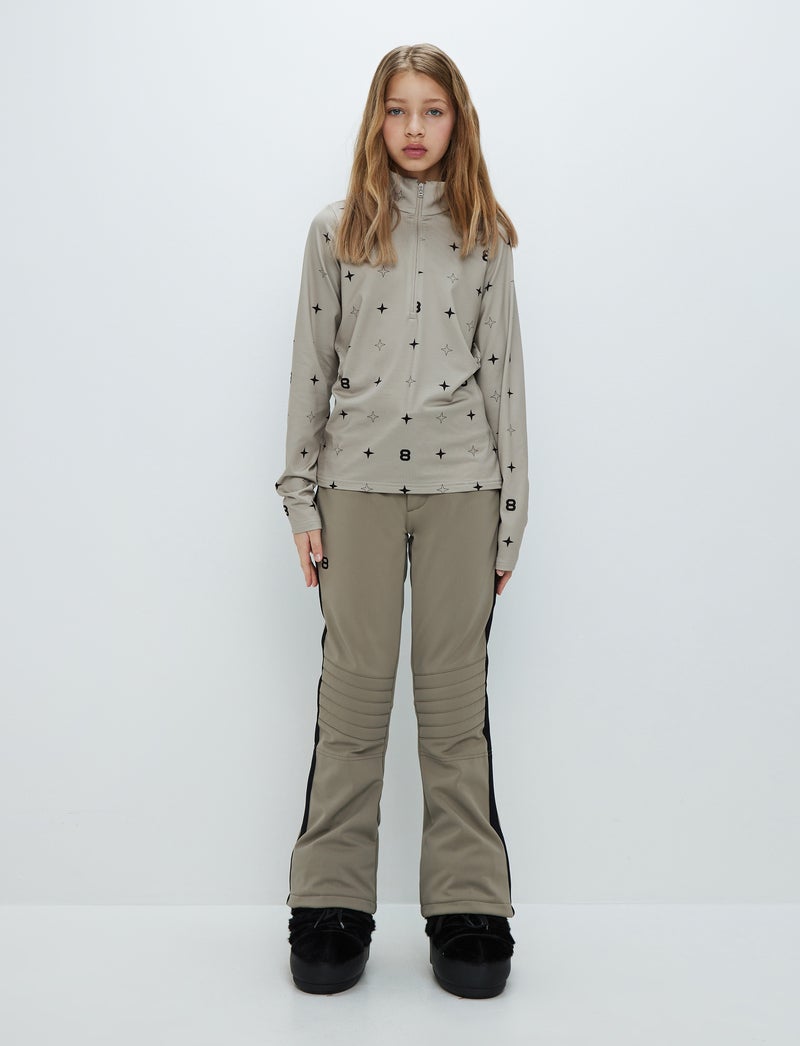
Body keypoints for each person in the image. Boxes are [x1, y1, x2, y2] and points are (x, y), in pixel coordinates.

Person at [275, 42, 529, 999]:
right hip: (358, 490)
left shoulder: (486, 238)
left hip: (464, 490)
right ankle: (329, 901)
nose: (414, 128)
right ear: (375, 121)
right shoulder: (335, 231)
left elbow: (504, 379)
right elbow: (310, 367)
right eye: (397, 110)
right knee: (353, 700)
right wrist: (301, 495)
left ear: (457, 122)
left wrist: (511, 514)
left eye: (432, 110)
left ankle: (469, 905)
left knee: (455, 708)